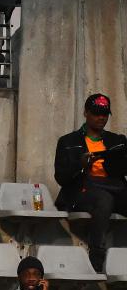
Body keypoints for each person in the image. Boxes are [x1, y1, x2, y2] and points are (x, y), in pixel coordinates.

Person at [54, 93, 127, 273]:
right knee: (104, 200)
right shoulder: (68, 141)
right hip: (82, 190)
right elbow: (61, 177)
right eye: (96, 113)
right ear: (85, 113)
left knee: (108, 197)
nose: (101, 117)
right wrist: (80, 164)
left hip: (114, 186)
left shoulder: (116, 140)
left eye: (105, 113)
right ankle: (96, 257)